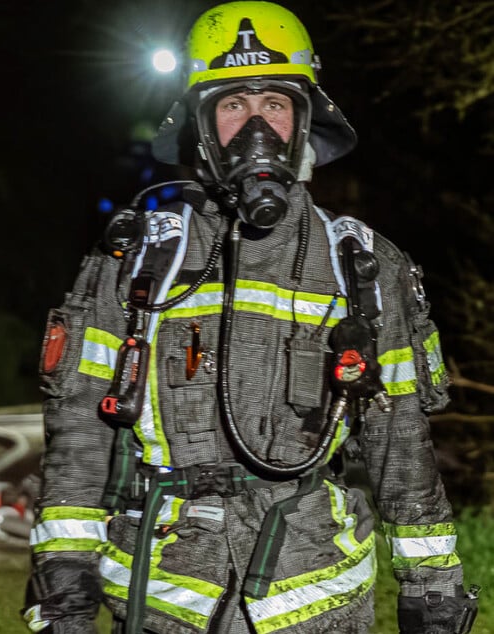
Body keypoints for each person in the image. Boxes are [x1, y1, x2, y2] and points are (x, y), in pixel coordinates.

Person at [24, 2, 478, 633]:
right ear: (202, 127)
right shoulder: (139, 258)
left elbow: (400, 443)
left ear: (303, 121)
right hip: (167, 599)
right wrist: (64, 582)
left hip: (314, 598)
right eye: (233, 105)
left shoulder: (363, 266)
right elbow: (78, 425)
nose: (256, 128)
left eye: (275, 104)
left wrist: (433, 590)